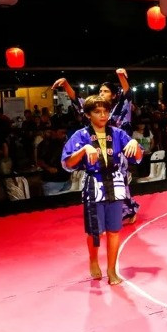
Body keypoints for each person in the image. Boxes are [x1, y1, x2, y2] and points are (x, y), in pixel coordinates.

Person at [61, 95, 143, 285]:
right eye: (97, 112)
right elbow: (67, 163)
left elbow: (137, 156)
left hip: (115, 183)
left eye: (105, 111)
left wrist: (134, 144)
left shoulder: (117, 133)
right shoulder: (80, 135)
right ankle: (93, 260)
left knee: (114, 230)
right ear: (88, 114)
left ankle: (112, 269)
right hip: (94, 185)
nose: (103, 115)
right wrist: (84, 150)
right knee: (95, 232)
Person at [54, 69, 139, 224]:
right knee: (99, 182)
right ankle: (105, 212)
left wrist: (120, 76)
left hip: (118, 149)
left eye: (106, 91)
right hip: (97, 148)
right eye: (100, 91)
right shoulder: (92, 110)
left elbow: (127, 94)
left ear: (114, 95)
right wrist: (66, 84)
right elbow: (78, 101)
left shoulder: (120, 108)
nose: (102, 93)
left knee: (120, 182)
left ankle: (127, 213)